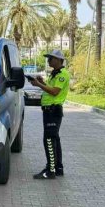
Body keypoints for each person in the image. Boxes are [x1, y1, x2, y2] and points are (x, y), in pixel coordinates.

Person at [30, 49, 70, 180]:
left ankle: (50, 170)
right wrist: (42, 82)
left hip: (53, 111)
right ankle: (58, 168)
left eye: (51, 58)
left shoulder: (62, 74)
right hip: (49, 110)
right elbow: (51, 88)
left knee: (49, 140)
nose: (48, 61)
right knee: (54, 140)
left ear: (59, 60)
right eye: (48, 58)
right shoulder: (55, 74)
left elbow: (54, 92)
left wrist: (39, 85)